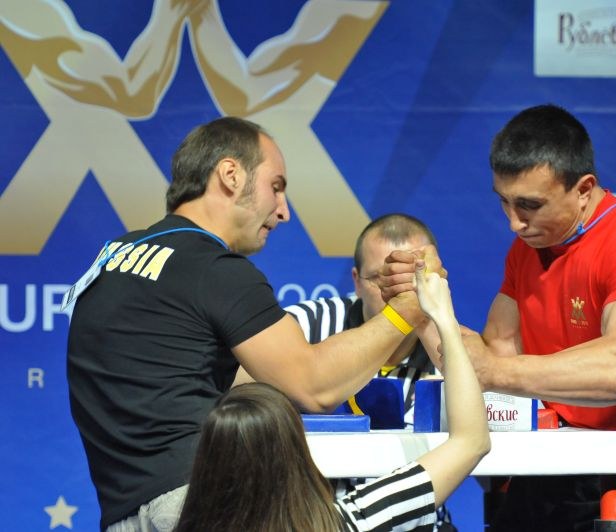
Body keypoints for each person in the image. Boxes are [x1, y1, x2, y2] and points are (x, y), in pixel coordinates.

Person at [66, 116, 438, 531]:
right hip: (199, 505)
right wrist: (406, 310)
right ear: (230, 174)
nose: (283, 212)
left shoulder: (118, 255)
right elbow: (313, 387)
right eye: (275, 186)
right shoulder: (213, 269)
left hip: (124, 513)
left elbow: (185, 376)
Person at [379, 104, 616, 531]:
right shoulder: (529, 249)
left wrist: (491, 370)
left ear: (584, 188)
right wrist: (425, 306)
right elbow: (487, 358)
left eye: (530, 205)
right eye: (504, 202)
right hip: (562, 462)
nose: (514, 223)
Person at [173, 260, 491, 532]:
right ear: (295, 454)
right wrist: (443, 319)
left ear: (205, 464)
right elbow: (470, 442)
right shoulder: (350, 521)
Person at [284, 213, 439, 426]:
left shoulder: (451, 353)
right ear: (357, 282)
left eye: (410, 278)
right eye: (380, 278)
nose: (397, 291)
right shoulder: (304, 325)